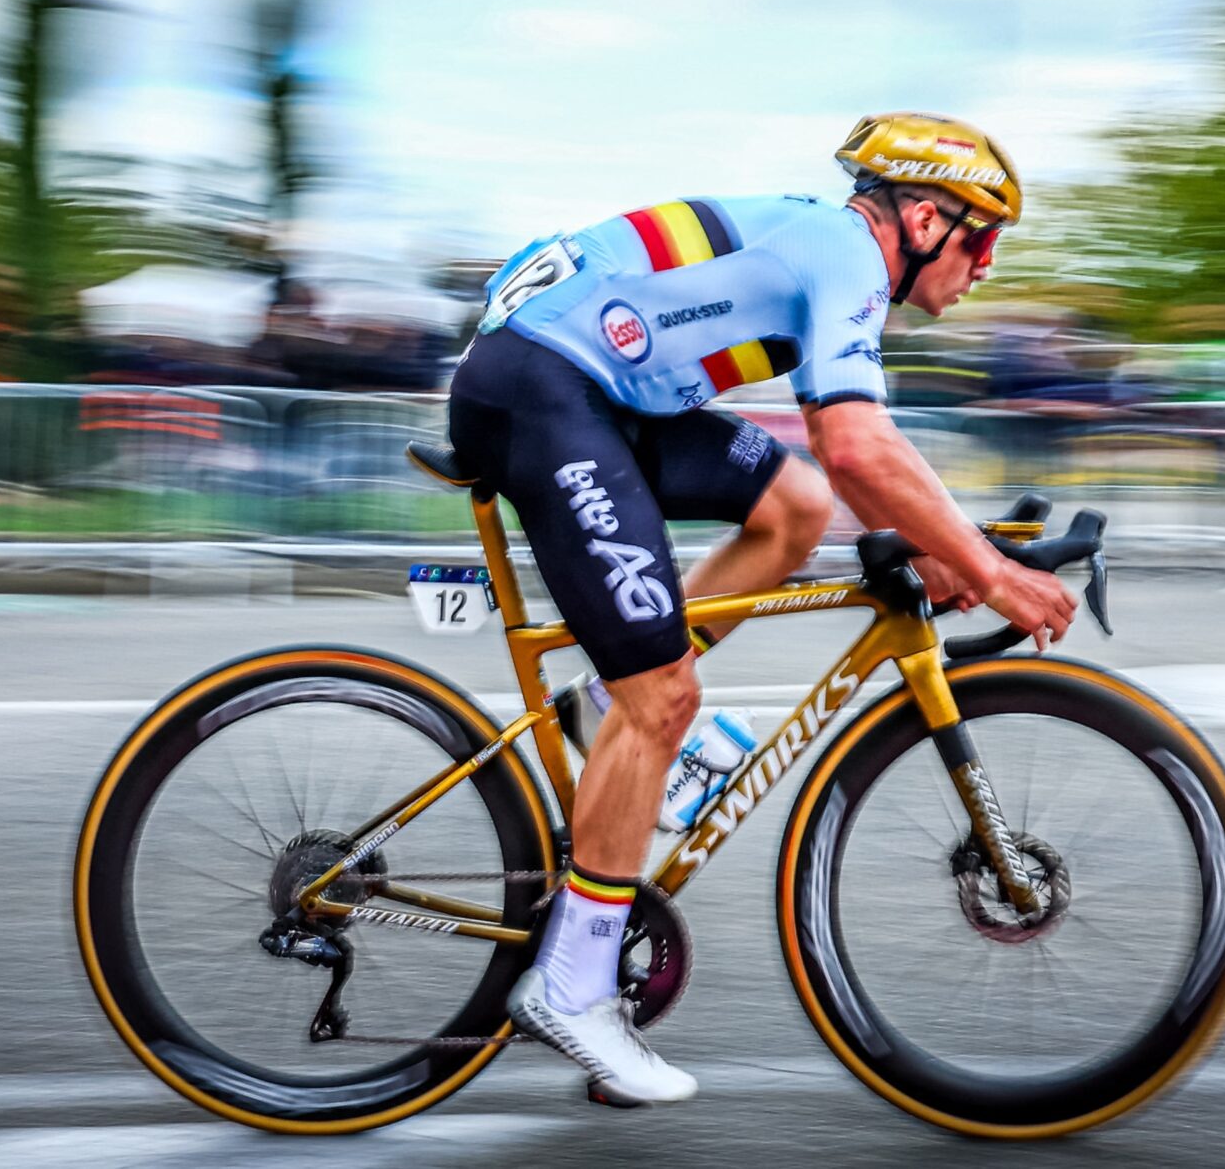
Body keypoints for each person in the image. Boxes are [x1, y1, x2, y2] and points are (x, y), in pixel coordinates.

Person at [444, 112, 1080, 1106]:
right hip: (543, 391)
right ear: (923, 219)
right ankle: (572, 985)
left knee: (794, 505)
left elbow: (847, 460)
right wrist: (989, 571)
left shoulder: (824, 243)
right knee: (665, 698)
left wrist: (944, 543)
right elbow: (858, 443)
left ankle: (605, 716)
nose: (988, 264)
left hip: (586, 386)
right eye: (983, 237)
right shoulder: (848, 254)